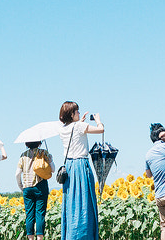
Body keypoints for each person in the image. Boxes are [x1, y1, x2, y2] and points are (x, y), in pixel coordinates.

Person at [58, 101, 103, 240]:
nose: (78, 113)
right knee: (84, 202)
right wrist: (98, 121)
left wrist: (80, 121)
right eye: (76, 111)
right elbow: (100, 130)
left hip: (69, 167)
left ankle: (71, 234)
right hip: (81, 165)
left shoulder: (63, 129)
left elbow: (76, 132)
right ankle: (85, 235)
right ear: (71, 114)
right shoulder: (79, 126)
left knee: (72, 203)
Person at [16, 141, 53, 240]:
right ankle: (40, 238)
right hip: (40, 186)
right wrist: (50, 160)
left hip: (27, 188)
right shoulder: (44, 152)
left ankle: (30, 239)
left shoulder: (23, 155)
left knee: (29, 215)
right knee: (40, 213)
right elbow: (52, 169)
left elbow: (17, 174)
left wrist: (21, 187)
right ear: (39, 142)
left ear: (27, 143)